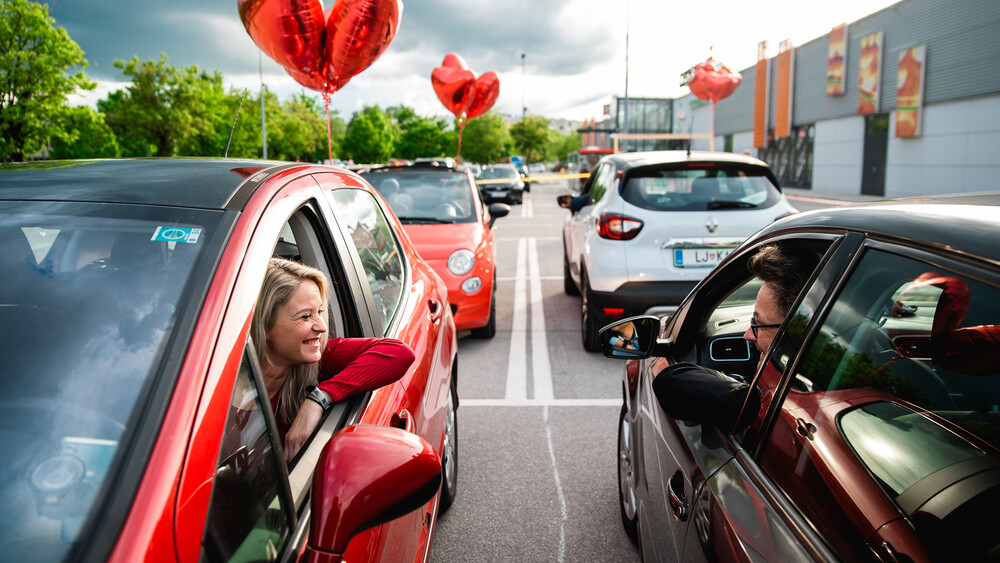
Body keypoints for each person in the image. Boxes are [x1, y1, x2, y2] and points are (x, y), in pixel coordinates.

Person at [252, 257, 416, 462]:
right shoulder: (216, 382)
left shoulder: (316, 358)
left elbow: (399, 354)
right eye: (305, 316)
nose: (321, 326)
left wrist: (318, 399)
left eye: (319, 311)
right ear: (264, 325)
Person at [649, 243, 817, 428]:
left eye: (758, 324)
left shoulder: (777, 401)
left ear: (794, 334)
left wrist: (664, 371)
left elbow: (671, 383)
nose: (748, 335)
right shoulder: (817, 388)